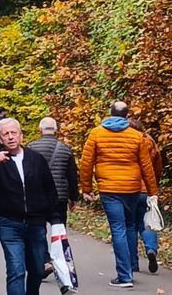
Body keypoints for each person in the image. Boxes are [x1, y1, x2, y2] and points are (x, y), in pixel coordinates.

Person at [80, 101, 159, 288]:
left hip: (109, 188)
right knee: (130, 224)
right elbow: (146, 166)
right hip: (131, 188)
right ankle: (130, 267)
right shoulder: (136, 136)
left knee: (118, 228)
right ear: (127, 115)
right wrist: (153, 192)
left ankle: (125, 276)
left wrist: (87, 189)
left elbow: (86, 162)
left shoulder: (97, 133)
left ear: (110, 113)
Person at [0, 118, 59, 295]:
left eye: (13, 133)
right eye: (5, 134)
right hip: (9, 222)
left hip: (36, 222)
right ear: (0, 140)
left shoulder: (36, 159)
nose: (10, 137)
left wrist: (55, 218)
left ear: (21, 135)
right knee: (16, 270)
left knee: (38, 269)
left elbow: (49, 188)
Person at [27, 117, 79, 277]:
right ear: (56, 130)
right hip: (59, 197)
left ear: (40, 130)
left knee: (38, 230)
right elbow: (71, 176)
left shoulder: (31, 148)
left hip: (37, 196)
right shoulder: (65, 149)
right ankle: (62, 262)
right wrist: (74, 197)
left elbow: (27, 173)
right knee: (59, 230)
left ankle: (45, 261)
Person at [129, 118, 163, 274]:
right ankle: (151, 250)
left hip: (130, 188)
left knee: (131, 226)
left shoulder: (127, 142)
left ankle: (133, 263)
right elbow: (157, 166)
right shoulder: (150, 142)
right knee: (147, 223)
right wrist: (153, 185)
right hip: (146, 190)